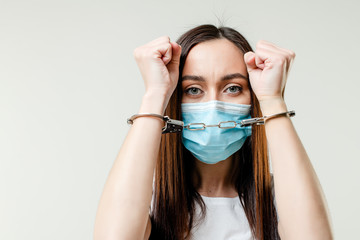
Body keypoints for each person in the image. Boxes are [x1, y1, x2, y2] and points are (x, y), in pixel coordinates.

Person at [93, 24, 333, 240]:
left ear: (252, 101)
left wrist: (272, 99)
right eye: (194, 90)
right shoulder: (147, 201)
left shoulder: (281, 201)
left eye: (232, 88)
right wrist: (155, 94)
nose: (214, 106)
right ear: (175, 99)